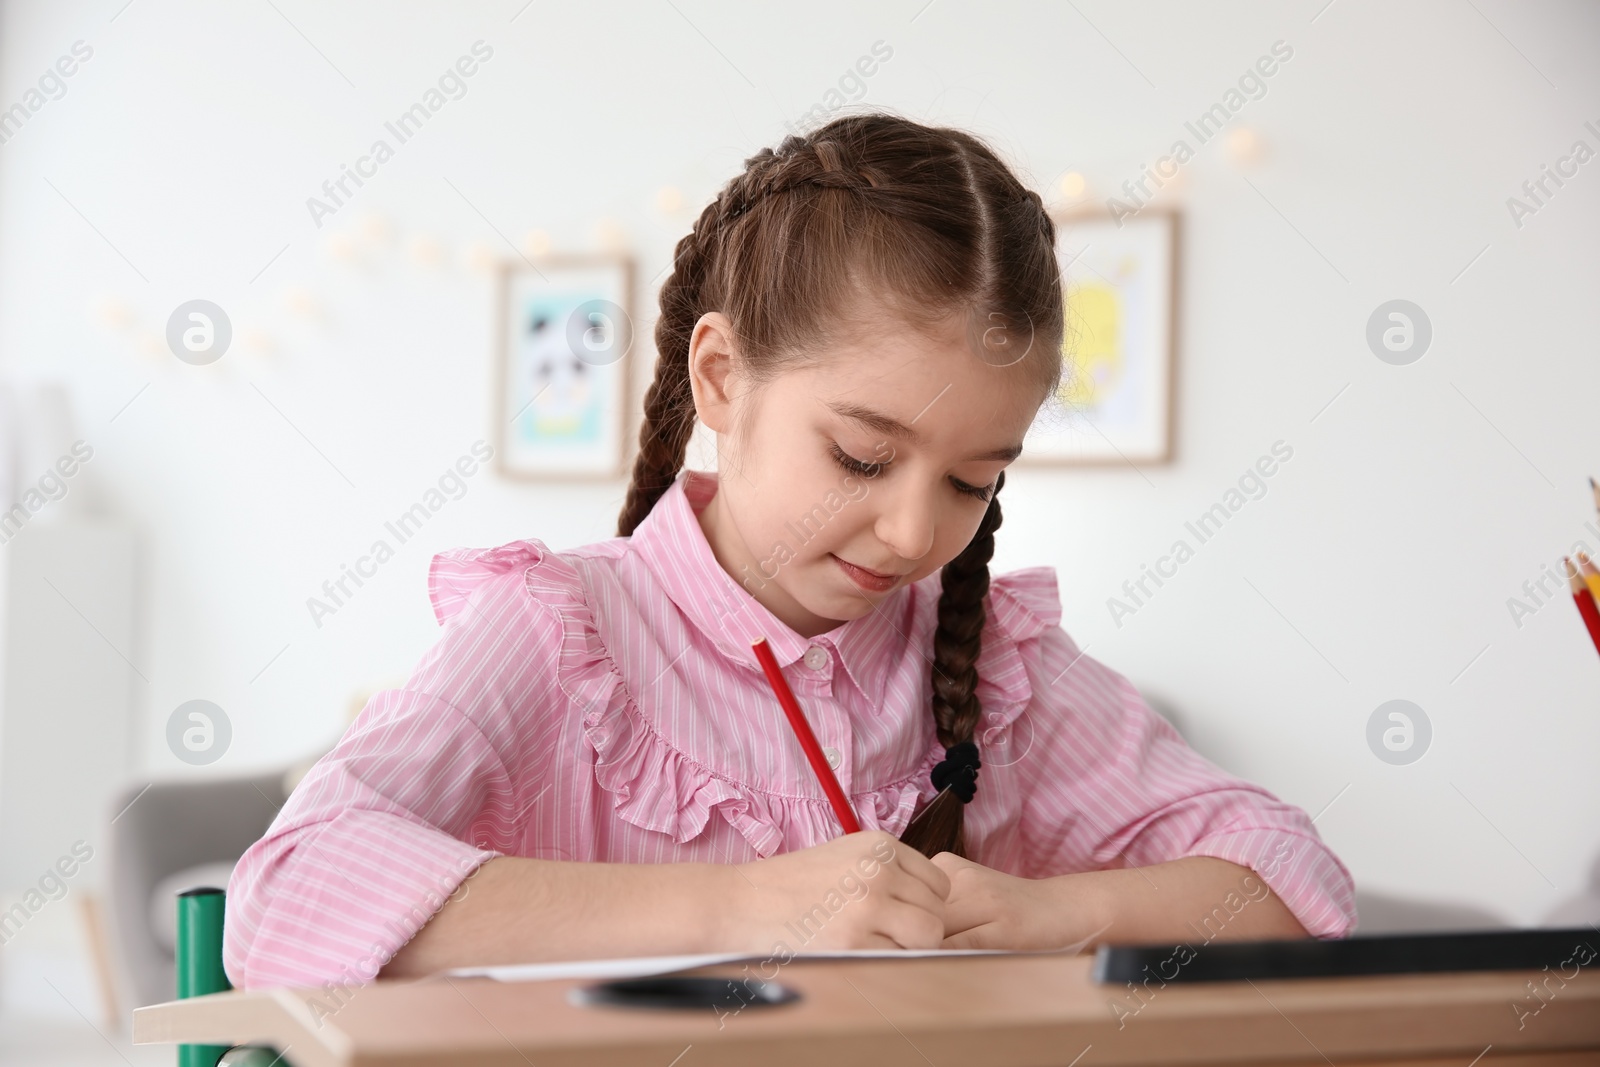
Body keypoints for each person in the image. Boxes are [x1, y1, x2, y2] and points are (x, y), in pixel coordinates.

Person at [223, 113, 1355, 990]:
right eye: (863, 457)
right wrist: (744, 906)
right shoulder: (557, 632)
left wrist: (1049, 911)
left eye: (973, 480)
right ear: (721, 378)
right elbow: (285, 894)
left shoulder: (996, 670)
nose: (915, 533)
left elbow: (1289, 881)